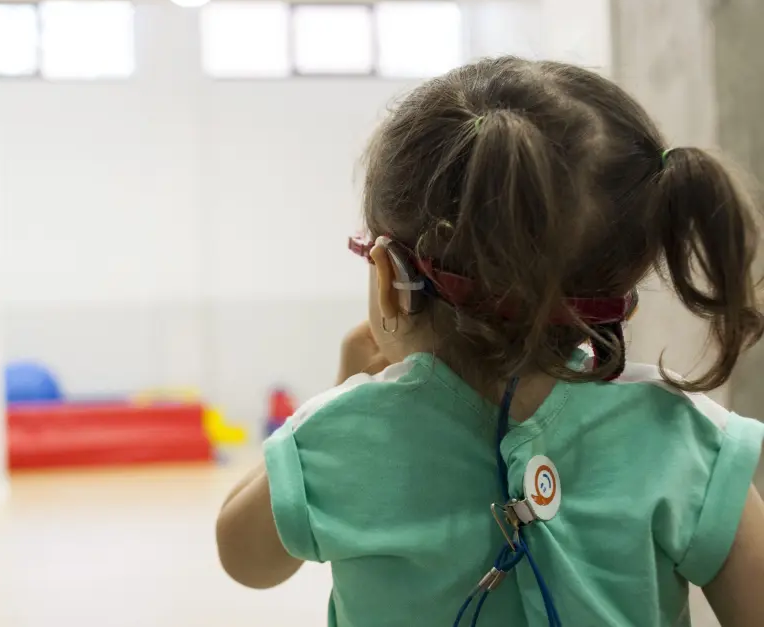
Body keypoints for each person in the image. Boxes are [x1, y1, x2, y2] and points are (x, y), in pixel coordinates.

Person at [215, 57, 764, 627]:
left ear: (389, 277)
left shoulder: (344, 434)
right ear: (622, 287)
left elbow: (243, 557)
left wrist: (337, 396)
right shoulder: (681, 434)